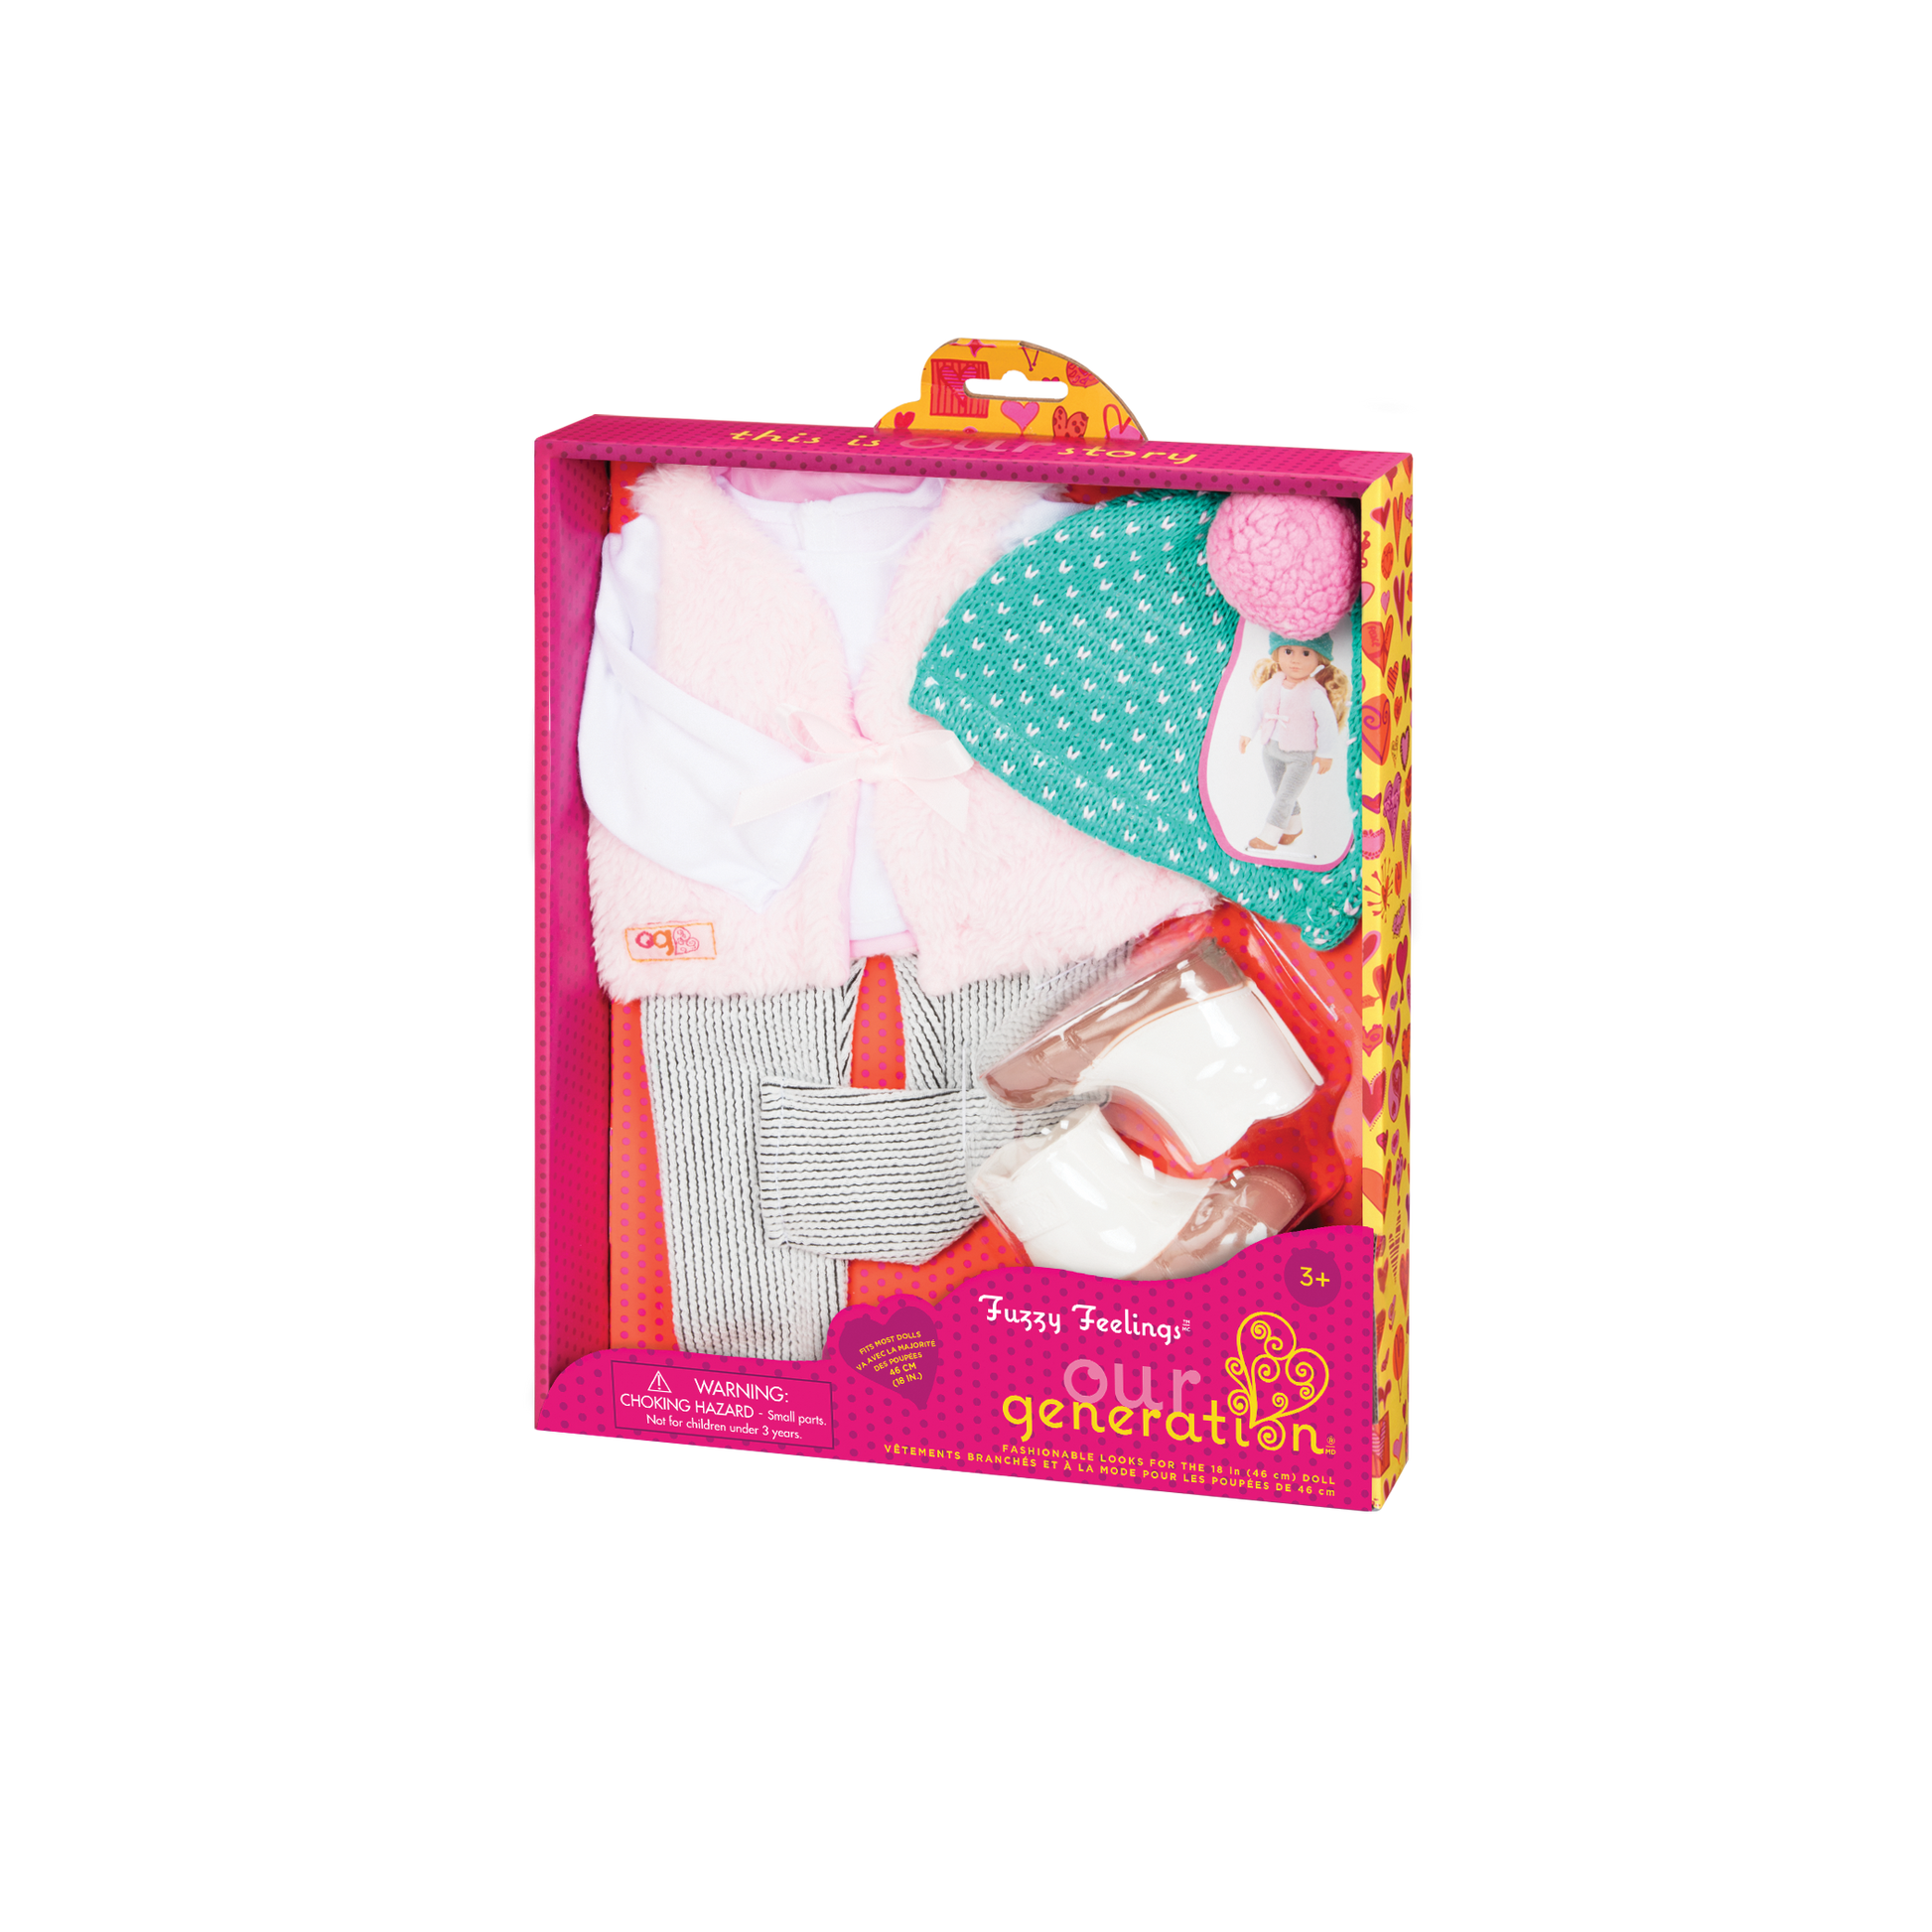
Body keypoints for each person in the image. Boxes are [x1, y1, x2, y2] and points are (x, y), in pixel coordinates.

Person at [1236, 634, 1348, 851]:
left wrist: (1325, 753)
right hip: (1270, 749)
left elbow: (1327, 724)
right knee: (1281, 792)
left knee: (1285, 796)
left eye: (1306, 653)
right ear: (1277, 654)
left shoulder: (1314, 693)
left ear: (1319, 659)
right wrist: (1247, 733)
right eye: (1288, 652)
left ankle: (1269, 836)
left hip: (1301, 755)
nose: (1295, 660)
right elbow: (1256, 709)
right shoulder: (1271, 685)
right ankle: (1294, 827)